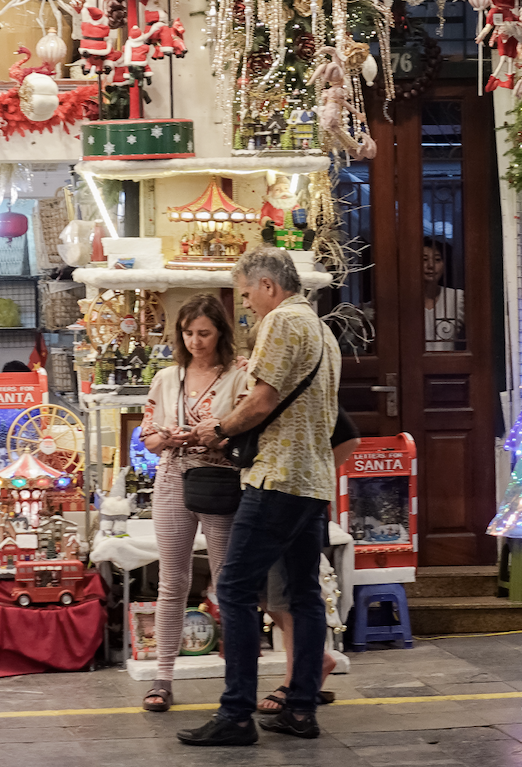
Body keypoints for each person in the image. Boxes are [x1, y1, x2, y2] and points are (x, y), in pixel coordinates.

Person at [179, 247, 341, 747]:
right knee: (303, 594)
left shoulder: (279, 323)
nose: (246, 304)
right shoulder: (323, 330)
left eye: (247, 293)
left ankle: (236, 714)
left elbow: (263, 400)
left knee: (234, 589)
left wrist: (219, 429)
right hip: (313, 480)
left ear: (268, 285)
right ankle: (300, 708)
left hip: (276, 478)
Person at [138, 294, 248, 713]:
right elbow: (147, 438)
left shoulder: (240, 374)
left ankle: (236, 678)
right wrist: (166, 436)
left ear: (220, 332)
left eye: (204, 332)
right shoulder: (168, 377)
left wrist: (214, 435)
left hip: (220, 480)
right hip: (170, 480)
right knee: (172, 581)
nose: (196, 341)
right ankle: (162, 676)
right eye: (188, 333)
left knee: (227, 583)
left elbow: (247, 428)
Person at [257, 408, 360, 715]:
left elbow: (350, 436)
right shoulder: (249, 389)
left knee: (286, 596)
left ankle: (293, 680)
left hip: (294, 505)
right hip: (258, 502)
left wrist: (315, 474)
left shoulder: (298, 390)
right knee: (263, 595)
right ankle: (316, 659)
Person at [422, 238, 465, 352]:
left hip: (445, 367)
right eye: (424, 259)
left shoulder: (457, 298)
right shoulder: (401, 300)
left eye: (437, 259)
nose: (430, 265)